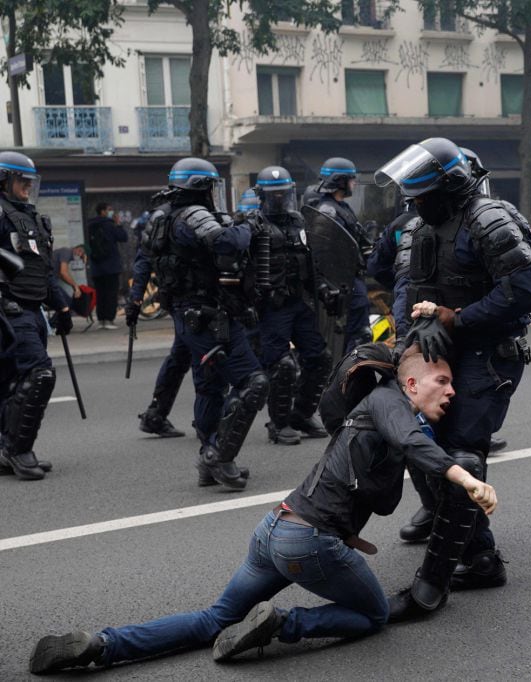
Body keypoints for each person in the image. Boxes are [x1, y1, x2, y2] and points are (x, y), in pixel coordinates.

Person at [26, 346, 498, 674]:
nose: (452, 390)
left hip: (274, 529)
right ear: (412, 382)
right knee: (374, 615)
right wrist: (468, 479)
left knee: (214, 618)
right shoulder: (390, 401)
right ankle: (284, 624)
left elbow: (375, 470)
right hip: (308, 542)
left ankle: (102, 646)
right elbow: (413, 442)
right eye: (444, 381)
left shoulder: (377, 409)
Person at [375, 137, 531, 620]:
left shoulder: (490, 219)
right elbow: (405, 288)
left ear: (451, 187)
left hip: (487, 352)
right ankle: (465, 541)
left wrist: (457, 318)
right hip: (434, 351)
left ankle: (477, 560)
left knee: (463, 450)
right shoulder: (415, 228)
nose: (417, 205)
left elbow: (525, 293)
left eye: (425, 197)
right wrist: (407, 342)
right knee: (420, 443)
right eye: (413, 199)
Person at [143, 158, 267, 489]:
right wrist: (249, 226)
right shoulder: (192, 216)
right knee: (253, 383)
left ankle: (210, 458)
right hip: (208, 315)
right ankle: (217, 454)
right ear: (201, 188)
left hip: (193, 315)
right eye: (211, 186)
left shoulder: (166, 218)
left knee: (210, 387)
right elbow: (227, 243)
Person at [249, 166, 336, 445]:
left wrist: (322, 287)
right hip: (272, 307)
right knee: (282, 365)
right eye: (273, 195)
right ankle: (279, 423)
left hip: (300, 302)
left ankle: (301, 414)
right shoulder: (252, 224)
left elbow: (313, 261)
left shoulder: (299, 221)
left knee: (320, 357)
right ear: (262, 195)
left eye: (283, 194)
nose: (279, 200)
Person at [0, 151, 71, 480]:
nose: (28, 186)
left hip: (31, 309)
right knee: (39, 374)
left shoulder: (32, 218)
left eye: (31, 181)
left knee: (11, 384)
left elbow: (42, 270)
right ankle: (18, 451)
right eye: (22, 180)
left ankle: (5, 449)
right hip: (8, 310)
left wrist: (62, 305)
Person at [127, 233, 190, 439]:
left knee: (181, 355)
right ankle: (209, 421)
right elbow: (144, 261)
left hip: (186, 299)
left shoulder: (163, 217)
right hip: (189, 300)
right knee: (204, 355)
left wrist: (135, 300)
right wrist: (135, 300)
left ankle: (156, 415)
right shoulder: (170, 218)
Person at [311, 157, 373, 353]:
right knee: (356, 337)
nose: (354, 183)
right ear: (339, 181)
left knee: (360, 335)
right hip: (344, 284)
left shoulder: (343, 208)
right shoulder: (328, 210)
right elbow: (323, 253)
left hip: (353, 281)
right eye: (351, 179)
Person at [85, 202, 129, 329]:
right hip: (111, 266)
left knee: (100, 294)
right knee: (111, 293)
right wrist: (118, 224)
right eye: (109, 209)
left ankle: (101, 320)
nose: (111, 212)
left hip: (96, 267)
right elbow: (123, 237)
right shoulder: (110, 225)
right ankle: (109, 320)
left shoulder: (89, 225)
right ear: (103, 211)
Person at [52, 244, 92, 317]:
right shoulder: (66, 252)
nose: (79, 254)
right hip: (46, 280)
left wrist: (74, 286)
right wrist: (75, 286)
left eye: (81, 255)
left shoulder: (66, 254)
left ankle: (53, 324)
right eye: (79, 251)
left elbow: (62, 275)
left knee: (64, 302)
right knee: (65, 302)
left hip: (49, 280)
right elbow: (63, 272)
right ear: (76, 248)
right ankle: (53, 324)